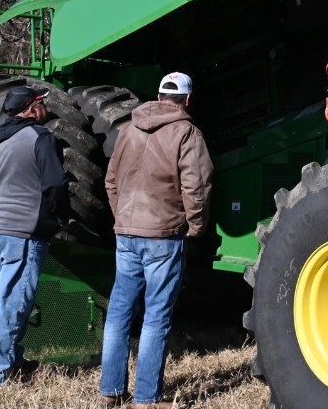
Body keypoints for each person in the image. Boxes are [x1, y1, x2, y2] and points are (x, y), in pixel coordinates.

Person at [98, 72, 213, 408]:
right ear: (187, 100)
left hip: (127, 233)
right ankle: (147, 398)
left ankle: (111, 391)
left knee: (119, 312)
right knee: (156, 316)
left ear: (159, 95)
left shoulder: (128, 129)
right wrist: (195, 226)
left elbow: (111, 180)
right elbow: (197, 188)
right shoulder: (187, 132)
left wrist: (123, 217)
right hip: (165, 234)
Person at [0, 86, 67, 392]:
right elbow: (55, 184)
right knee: (15, 303)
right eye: (41, 103)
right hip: (23, 233)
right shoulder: (41, 138)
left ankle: (13, 359)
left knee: (9, 298)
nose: (45, 107)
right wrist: (57, 219)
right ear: (30, 109)